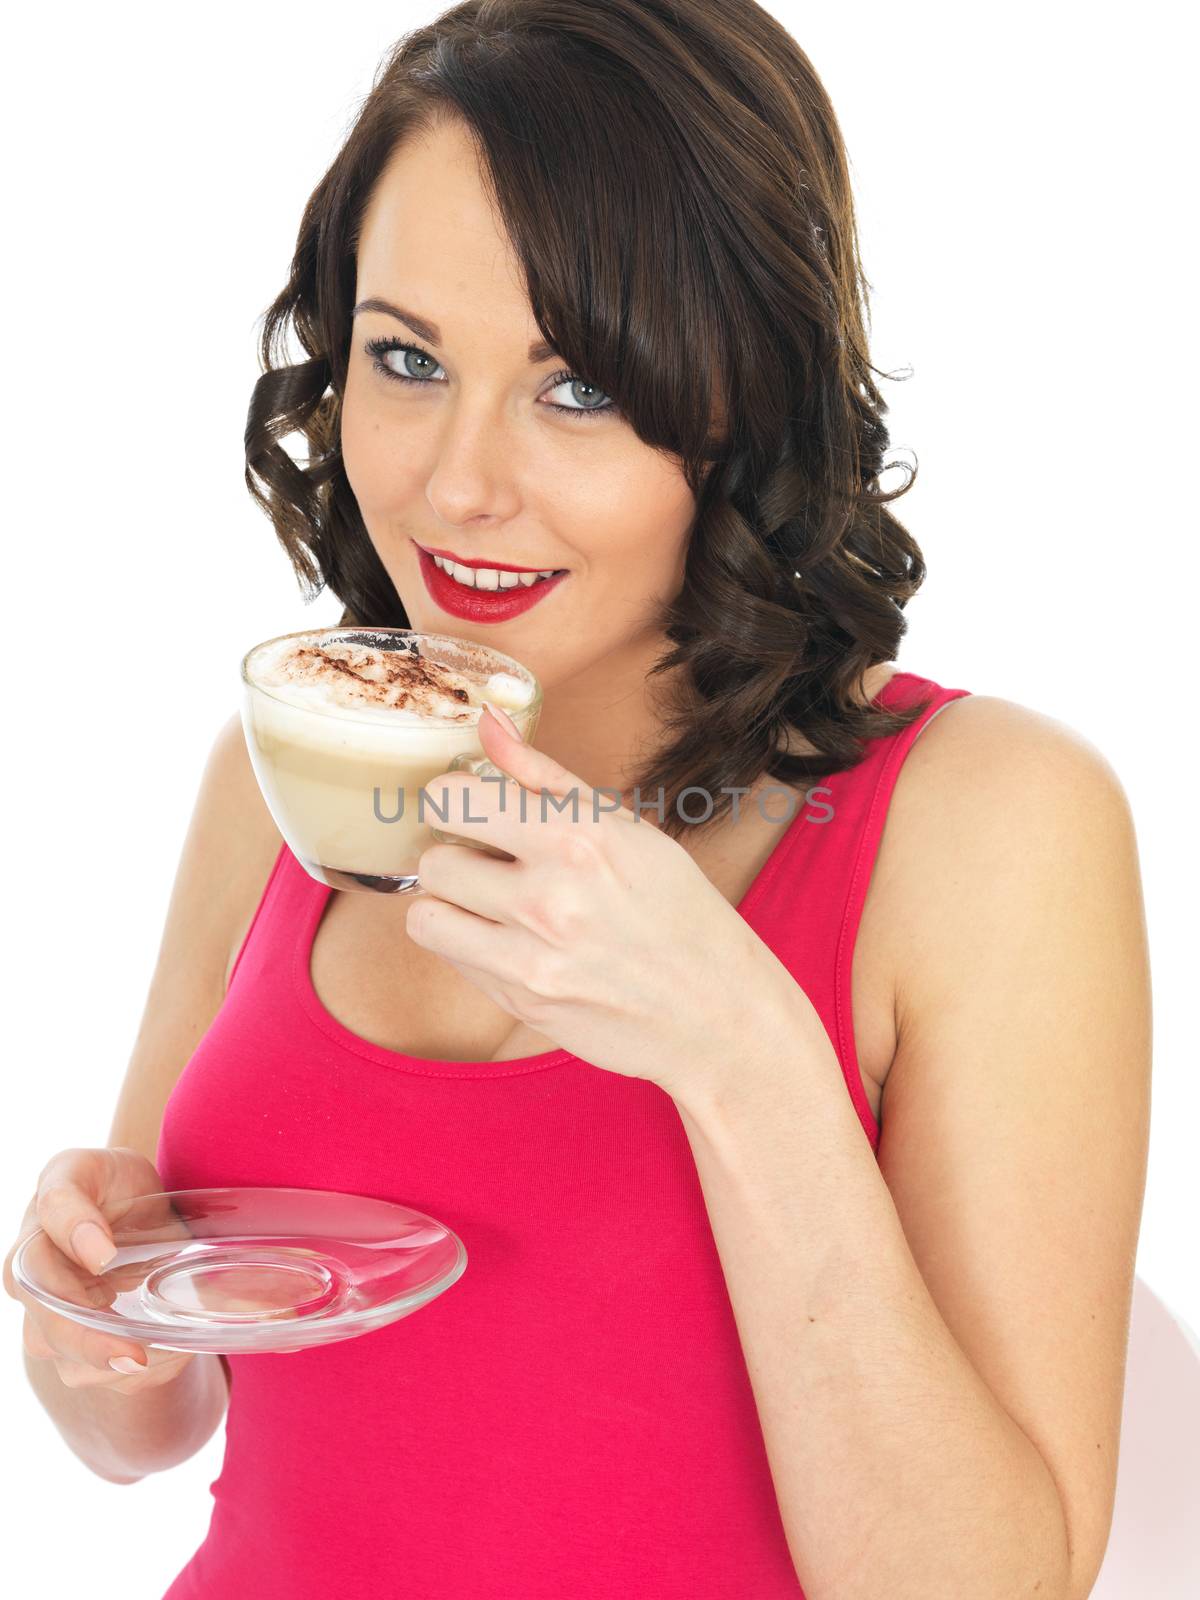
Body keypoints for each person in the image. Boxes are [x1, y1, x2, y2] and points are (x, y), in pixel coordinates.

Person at [4, 4, 1151, 1597]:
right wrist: (90, 1326)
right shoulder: (282, 777)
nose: (458, 480)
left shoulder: (988, 826)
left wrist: (740, 1050)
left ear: (741, 397)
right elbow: (145, 1423)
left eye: (580, 388)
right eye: (406, 359)